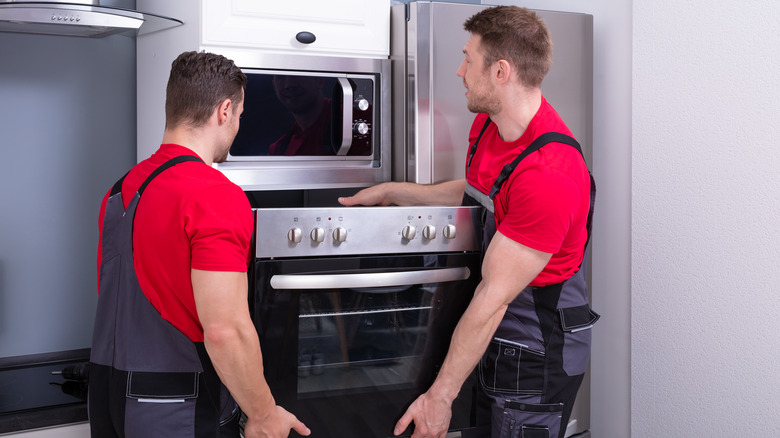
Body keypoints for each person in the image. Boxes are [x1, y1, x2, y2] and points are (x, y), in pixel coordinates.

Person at [339, 6, 598, 438]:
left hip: (535, 353)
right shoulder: (490, 125)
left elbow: (494, 296)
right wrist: (392, 192)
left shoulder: (551, 174)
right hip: (490, 330)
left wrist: (440, 396)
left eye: (468, 59)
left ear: (500, 71)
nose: (459, 71)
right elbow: (482, 190)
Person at [88, 51, 310, 438]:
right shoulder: (214, 195)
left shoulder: (121, 190)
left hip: (108, 402)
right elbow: (225, 329)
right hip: (176, 410)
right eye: (239, 115)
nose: (238, 125)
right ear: (224, 111)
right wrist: (263, 413)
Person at [268, 75, 334, 156]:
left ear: (319, 80)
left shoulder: (349, 116)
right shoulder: (278, 150)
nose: (288, 85)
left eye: (296, 75)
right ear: (274, 86)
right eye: (281, 77)